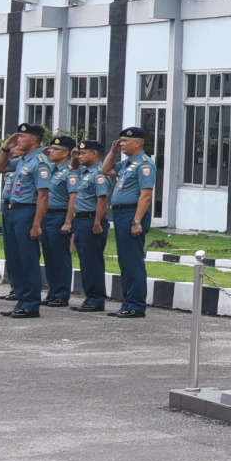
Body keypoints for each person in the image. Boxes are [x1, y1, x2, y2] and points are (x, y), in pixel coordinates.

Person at [106, 127, 156, 318]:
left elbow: (146, 196)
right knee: (125, 261)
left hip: (132, 214)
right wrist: (113, 151)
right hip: (121, 214)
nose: (122, 144)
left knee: (133, 261)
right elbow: (105, 169)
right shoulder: (128, 164)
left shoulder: (144, 165)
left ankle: (136, 305)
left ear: (137, 142)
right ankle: (127, 302)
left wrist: (136, 221)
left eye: (125, 141)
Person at [0, 125, 49, 317]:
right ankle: (21, 299)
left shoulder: (39, 162)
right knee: (15, 257)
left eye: (22, 136)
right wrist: (5, 149)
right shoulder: (22, 160)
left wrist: (36, 224)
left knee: (28, 258)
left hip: (27, 211)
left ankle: (31, 303)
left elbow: (43, 195)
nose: (18, 139)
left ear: (34, 139)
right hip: (13, 210)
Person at [67, 139, 111, 311]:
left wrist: (97, 222)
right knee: (85, 261)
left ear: (94, 154)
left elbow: (102, 200)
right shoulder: (85, 172)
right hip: (81, 220)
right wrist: (74, 157)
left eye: (83, 153)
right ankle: (89, 298)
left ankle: (96, 299)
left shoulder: (99, 174)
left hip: (91, 220)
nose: (80, 156)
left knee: (92, 261)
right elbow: (73, 168)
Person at [35, 135, 75, 308]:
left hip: (60, 215)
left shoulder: (71, 171)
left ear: (66, 152)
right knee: (49, 256)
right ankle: (53, 291)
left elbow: (74, 197)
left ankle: (62, 293)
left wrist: (68, 221)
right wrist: (45, 153)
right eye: (50, 148)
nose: (51, 151)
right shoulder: (52, 169)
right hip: (47, 216)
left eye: (55, 149)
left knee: (60, 256)